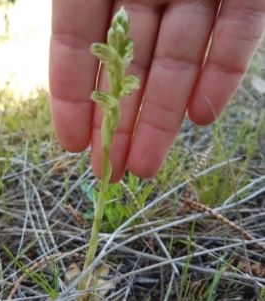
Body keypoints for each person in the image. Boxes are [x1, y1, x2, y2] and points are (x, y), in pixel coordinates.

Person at [49, 0, 265, 182]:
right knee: (104, 140)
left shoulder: (122, 70)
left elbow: (124, 77)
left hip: (118, 81)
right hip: (115, 81)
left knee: (122, 143)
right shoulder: (113, 65)